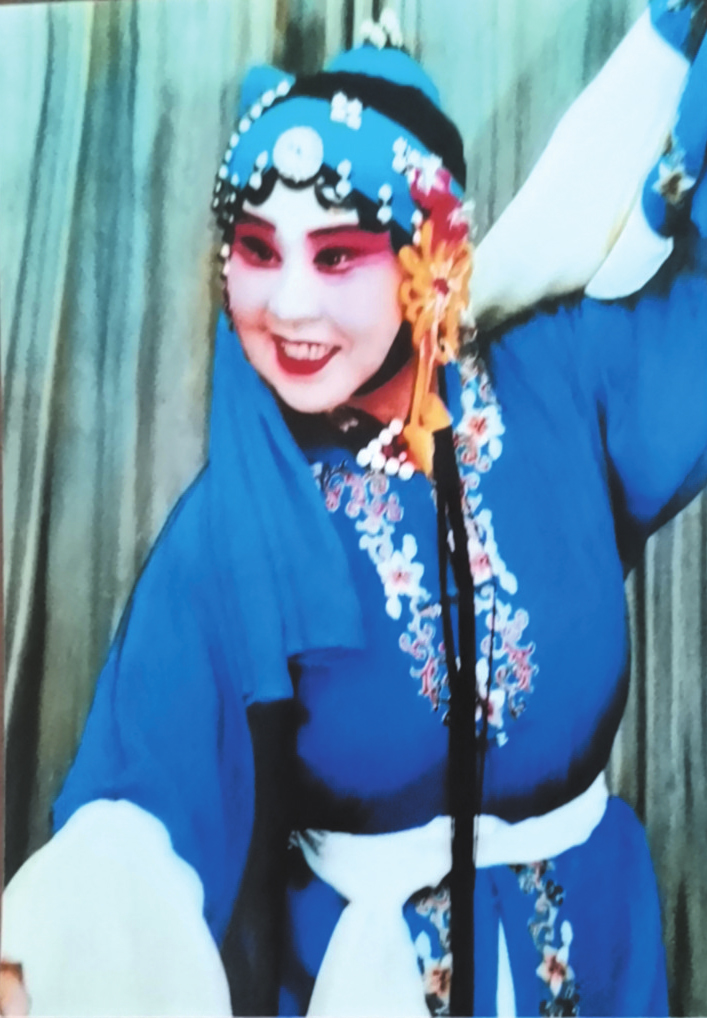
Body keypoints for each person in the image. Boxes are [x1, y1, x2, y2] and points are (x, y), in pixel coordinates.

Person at [2, 2, 707, 1015]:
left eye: (335, 255)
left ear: (432, 256)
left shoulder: (560, 380)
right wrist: (48, 954)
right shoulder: (236, 525)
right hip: (368, 981)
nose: (288, 305)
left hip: (598, 954)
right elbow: (139, 802)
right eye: (258, 250)